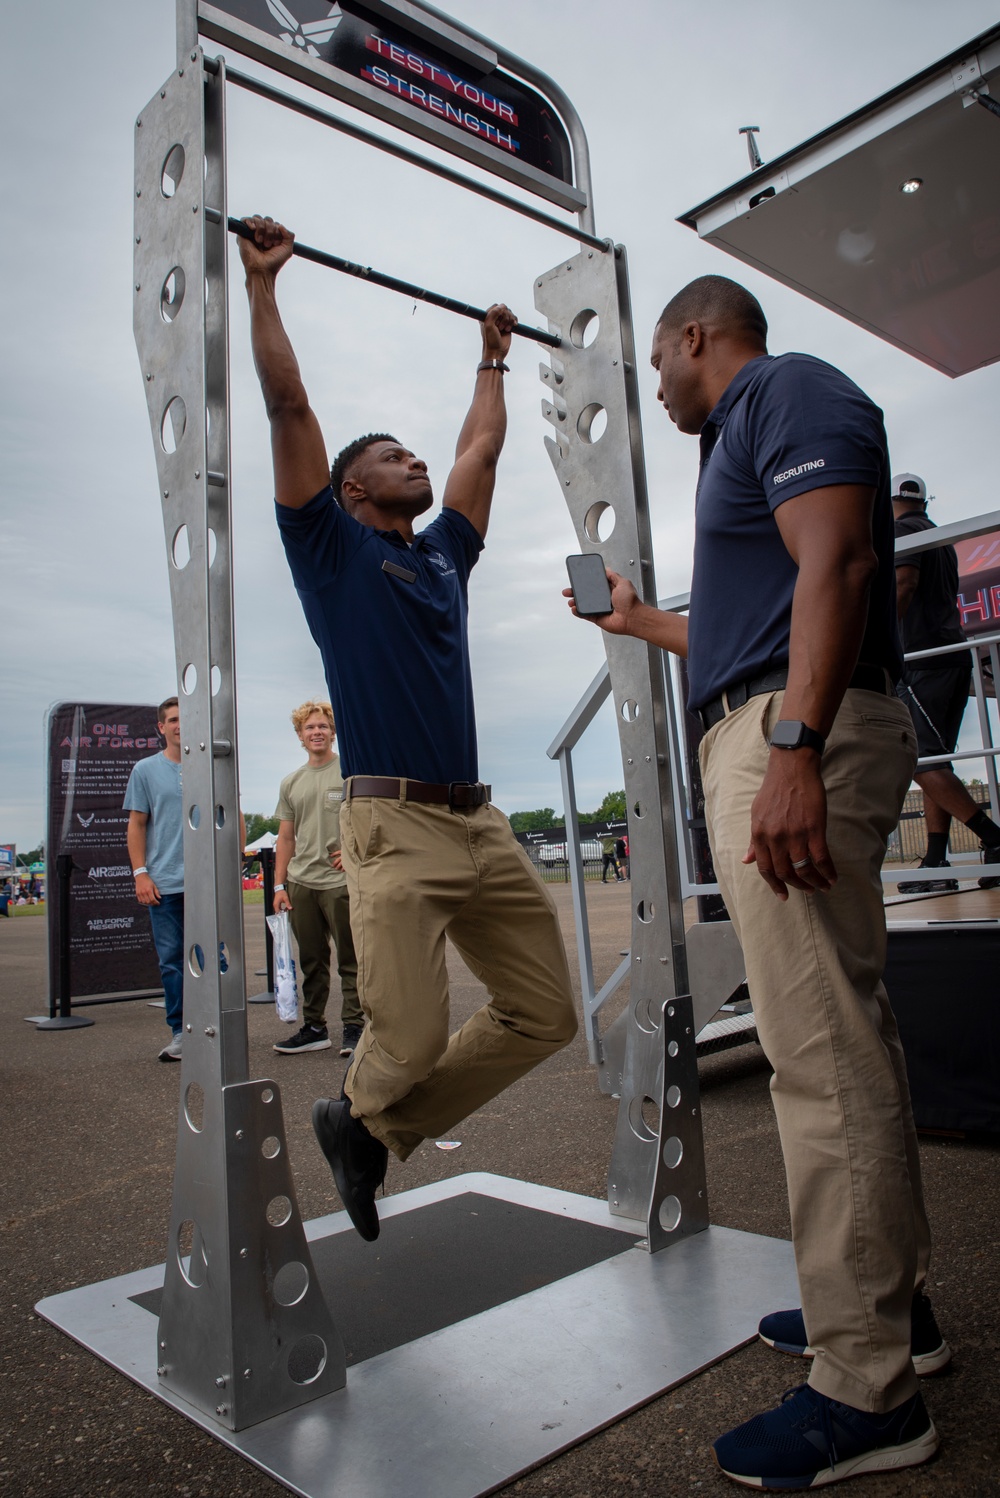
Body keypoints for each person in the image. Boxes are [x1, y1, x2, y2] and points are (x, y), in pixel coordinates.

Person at [566, 275, 945, 1488]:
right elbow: (763, 610)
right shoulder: (746, 431)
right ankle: (894, 1314)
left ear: (691, 337)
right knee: (847, 1040)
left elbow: (836, 564)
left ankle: (865, 1387)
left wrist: (789, 745)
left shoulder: (784, 389)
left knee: (819, 1060)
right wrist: (642, 623)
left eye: (658, 364)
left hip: (798, 734)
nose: (660, 387)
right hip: (781, 712)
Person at [239, 215, 576, 1243]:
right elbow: (289, 404)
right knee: (412, 1031)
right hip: (390, 827)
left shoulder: (441, 560)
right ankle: (371, 1108)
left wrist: (491, 356)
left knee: (546, 1014)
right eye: (393, 455)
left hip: (478, 824)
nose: (415, 457)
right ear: (351, 487)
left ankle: (370, 1129)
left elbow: (480, 444)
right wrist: (263, 287)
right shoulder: (329, 548)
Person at [892, 473, 1000, 892]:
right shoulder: (935, 534)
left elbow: (904, 582)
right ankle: (937, 863)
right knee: (935, 759)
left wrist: (880, 638)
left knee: (921, 759)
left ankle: (993, 839)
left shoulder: (901, 532)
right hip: (951, 656)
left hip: (923, 658)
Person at [271, 700, 363, 1058]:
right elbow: (286, 838)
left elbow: (369, 817)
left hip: (340, 883)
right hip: (302, 884)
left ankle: (354, 1027)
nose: (316, 732)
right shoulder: (291, 782)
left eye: (322, 726)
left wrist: (353, 851)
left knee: (351, 958)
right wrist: (280, 885)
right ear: (300, 735)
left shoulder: (350, 772)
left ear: (332, 731)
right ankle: (314, 1028)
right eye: (309, 727)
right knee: (311, 959)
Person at [124, 697, 186, 1061]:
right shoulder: (145, 770)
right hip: (164, 883)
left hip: (207, 883)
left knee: (219, 960)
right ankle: (181, 1032)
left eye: (187, 719)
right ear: (161, 727)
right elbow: (137, 823)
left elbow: (233, 813)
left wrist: (235, 861)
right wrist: (140, 873)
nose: (181, 725)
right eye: (174, 719)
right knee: (172, 960)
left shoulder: (211, 766)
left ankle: (218, 1024)